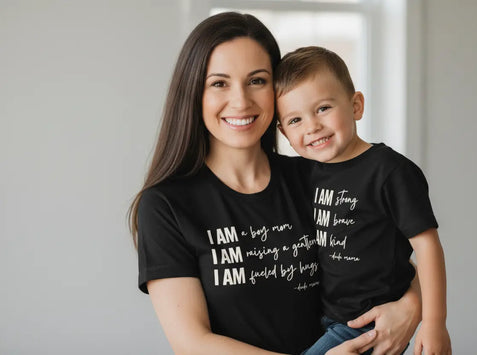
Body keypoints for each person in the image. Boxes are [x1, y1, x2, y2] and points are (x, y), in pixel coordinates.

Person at [129, 12, 421, 355]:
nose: (241, 101)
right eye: (219, 83)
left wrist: (411, 307)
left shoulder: (316, 177)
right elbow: (192, 342)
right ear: (194, 93)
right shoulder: (166, 206)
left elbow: (388, 263)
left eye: (257, 80)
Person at [275, 46, 452, 355]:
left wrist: (434, 323)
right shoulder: (307, 172)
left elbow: (427, 247)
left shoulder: (389, 171)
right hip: (325, 315)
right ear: (283, 132)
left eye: (323, 108)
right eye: (295, 120)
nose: (312, 126)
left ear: (355, 105)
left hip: (368, 320)